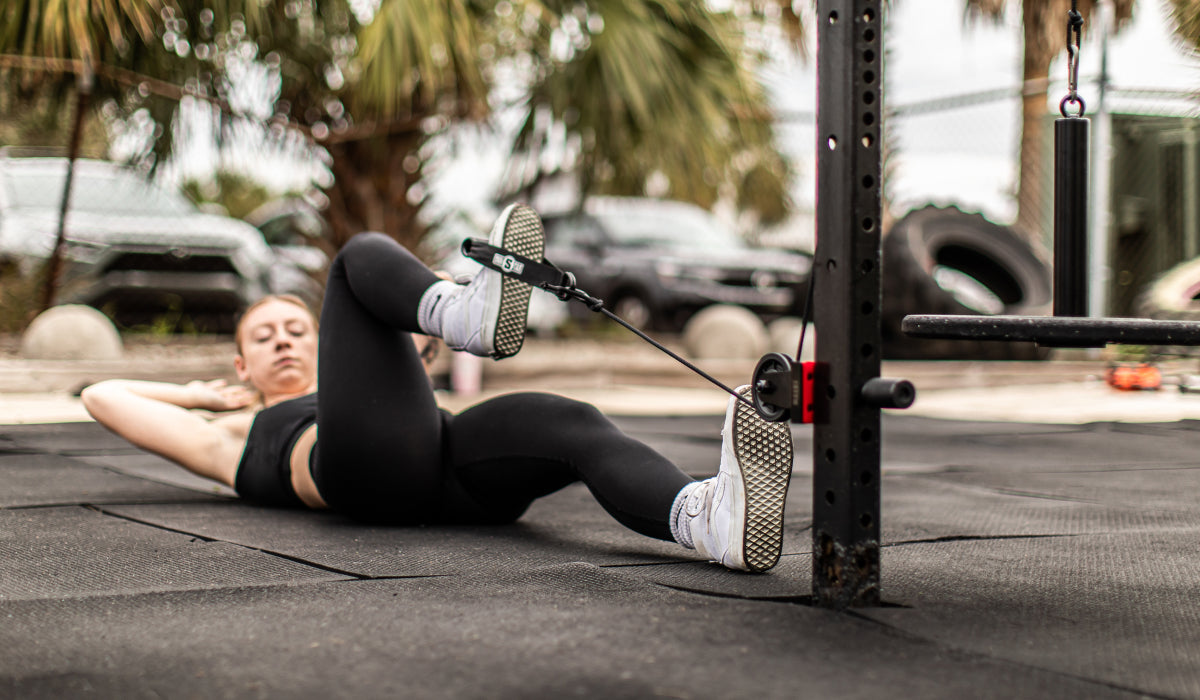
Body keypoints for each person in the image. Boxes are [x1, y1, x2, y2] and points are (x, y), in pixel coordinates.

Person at [82, 204, 794, 573]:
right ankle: (459, 313)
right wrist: (200, 397)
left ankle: (704, 520)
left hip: (446, 466)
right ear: (241, 366)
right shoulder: (231, 430)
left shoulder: (372, 383)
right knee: (356, 257)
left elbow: (381, 373)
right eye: (263, 338)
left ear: (326, 343)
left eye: (296, 330)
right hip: (365, 476)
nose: (285, 341)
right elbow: (101, 397)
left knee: (572, 423)